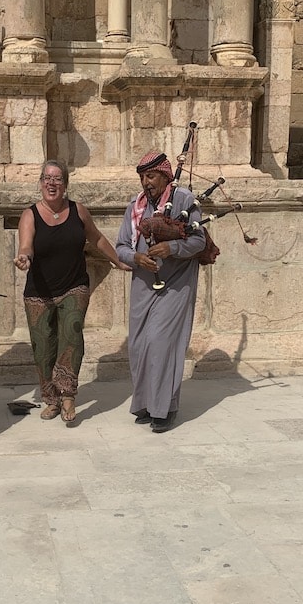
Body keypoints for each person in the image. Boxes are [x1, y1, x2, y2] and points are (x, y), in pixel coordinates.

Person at [14, 160, 130, 424]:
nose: (51, 183)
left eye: (57, 179)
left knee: (72, 332)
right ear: (41, 183)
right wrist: (23, 257)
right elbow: (26, 245)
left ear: (65, 184)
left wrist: (117, 260)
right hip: (39, 292)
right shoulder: (29, 215)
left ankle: (68, 395)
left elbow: (97, 238)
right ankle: (52, 399)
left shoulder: (78, 211)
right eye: (46, 178)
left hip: (74, 286)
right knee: (43, 347)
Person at [115, 149, 206, 433]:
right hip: (144, 281)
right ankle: (145, 403)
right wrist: (135, 258)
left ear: (166, 176)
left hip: (176, 282)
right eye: (143, 176)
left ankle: (165, 408)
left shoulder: (184, 200)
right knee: (139, 344)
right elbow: (120, 246)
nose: (146, 182)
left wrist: (172, 247)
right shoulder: (136, 206)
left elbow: (199, 240)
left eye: (151, 176)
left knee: (161, 342)